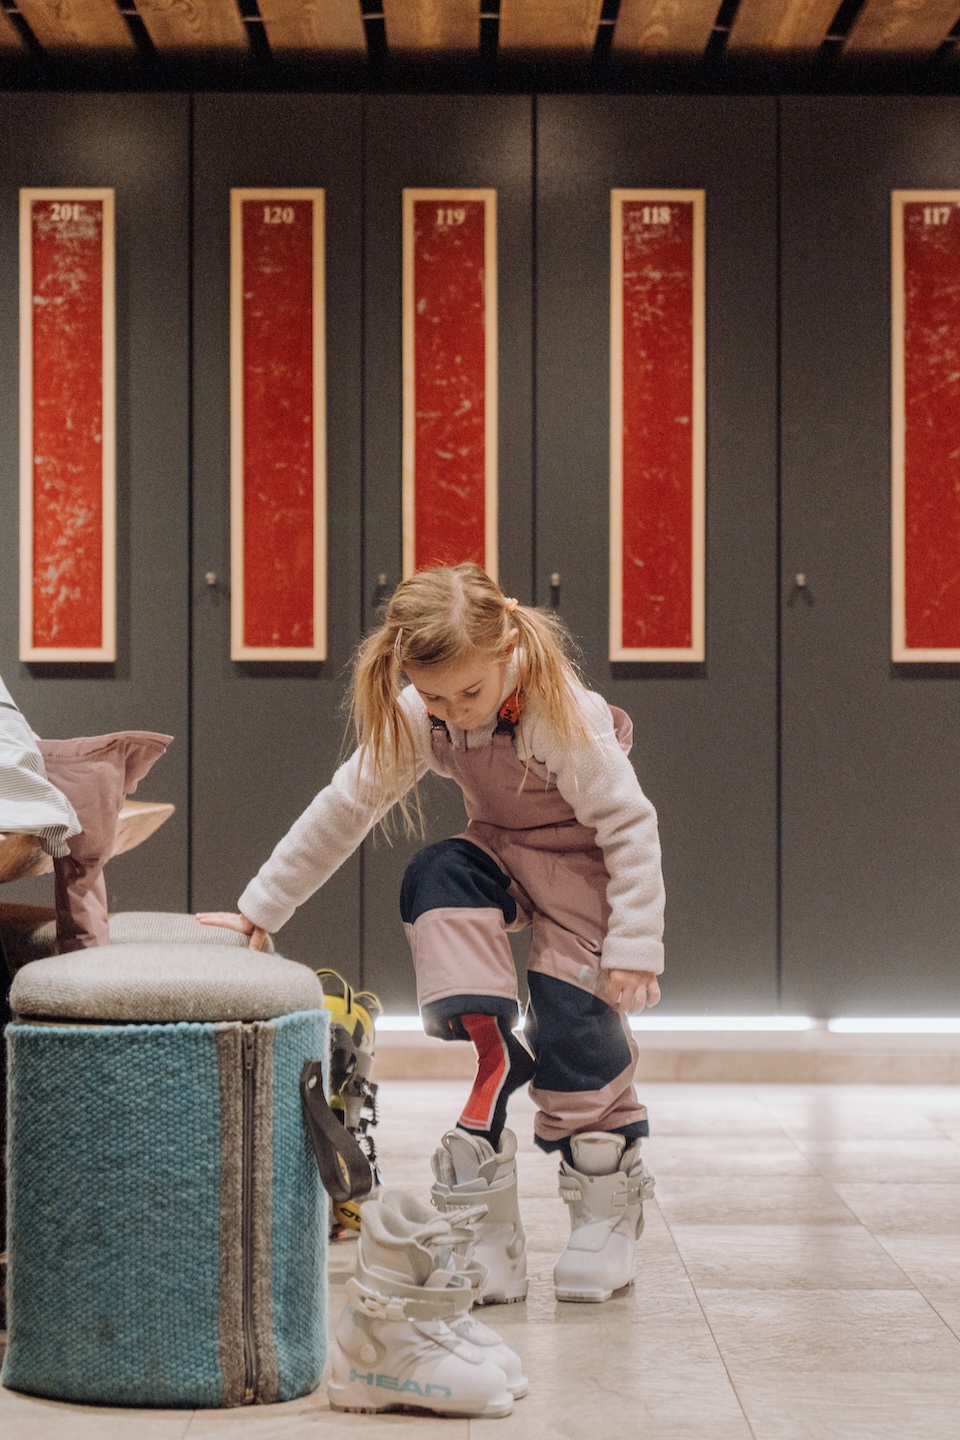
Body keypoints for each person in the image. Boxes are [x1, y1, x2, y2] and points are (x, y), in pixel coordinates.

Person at [199, 562, 664, 1307]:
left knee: (575, 1019)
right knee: (438, 870)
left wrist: (636, 946)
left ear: (506, 644)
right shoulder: (429, 713)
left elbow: (629, 825)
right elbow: (345, 807)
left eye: (471, 694)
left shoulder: (556, 710)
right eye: (435, 695)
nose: (457, 713)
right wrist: (260, 912)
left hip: (585, 869)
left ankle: (605, 1217)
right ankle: (492, 1053)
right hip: (505, 852)